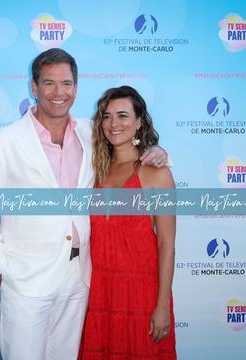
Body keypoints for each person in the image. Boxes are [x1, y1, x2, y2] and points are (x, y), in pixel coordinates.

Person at [0, 49, 168, 360]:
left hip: (78, 281)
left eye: (66, 83)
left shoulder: (92, 135)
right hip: (26, 282)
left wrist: (157, 151)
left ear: (76, 87)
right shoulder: (2, 144)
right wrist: (0, 270)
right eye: (49, 83)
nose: (58, 93)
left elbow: (131, 146)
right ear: (34, 88)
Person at [80, 86, 177, 359]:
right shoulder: (93, 171)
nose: (114, 124)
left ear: (139, 122)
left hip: (142, 295)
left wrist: (161, 306)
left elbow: (167, 244)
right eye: (107, 117)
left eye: (123, 115)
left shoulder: (155, 173)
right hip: (99, 293)